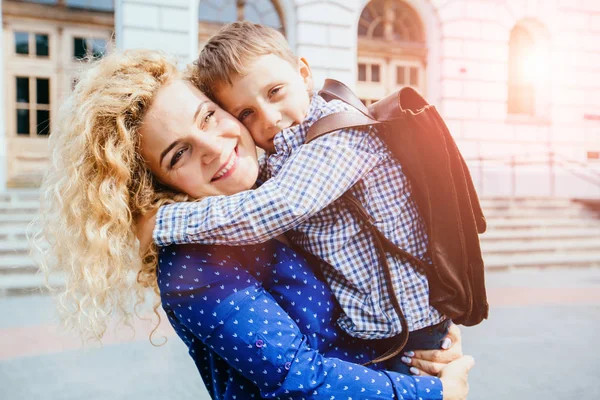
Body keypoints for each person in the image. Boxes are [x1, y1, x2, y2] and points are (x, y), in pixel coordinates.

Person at [34, 49, 474, 400]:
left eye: (207, 116)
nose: (212, 147)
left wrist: (429, 338)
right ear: (155, 183)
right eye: (178, 154)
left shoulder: (279, 189)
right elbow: (297, 380)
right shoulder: (193, 266)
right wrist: (432, 391)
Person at [140, 21, 453, 373]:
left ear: (303, 74)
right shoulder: (282, 159)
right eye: (246, 113)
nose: (271, 119)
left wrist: (161, 221)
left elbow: (280, 206)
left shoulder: (339, 136)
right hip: (378, 333)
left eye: (275, 92)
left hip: (407, 331)